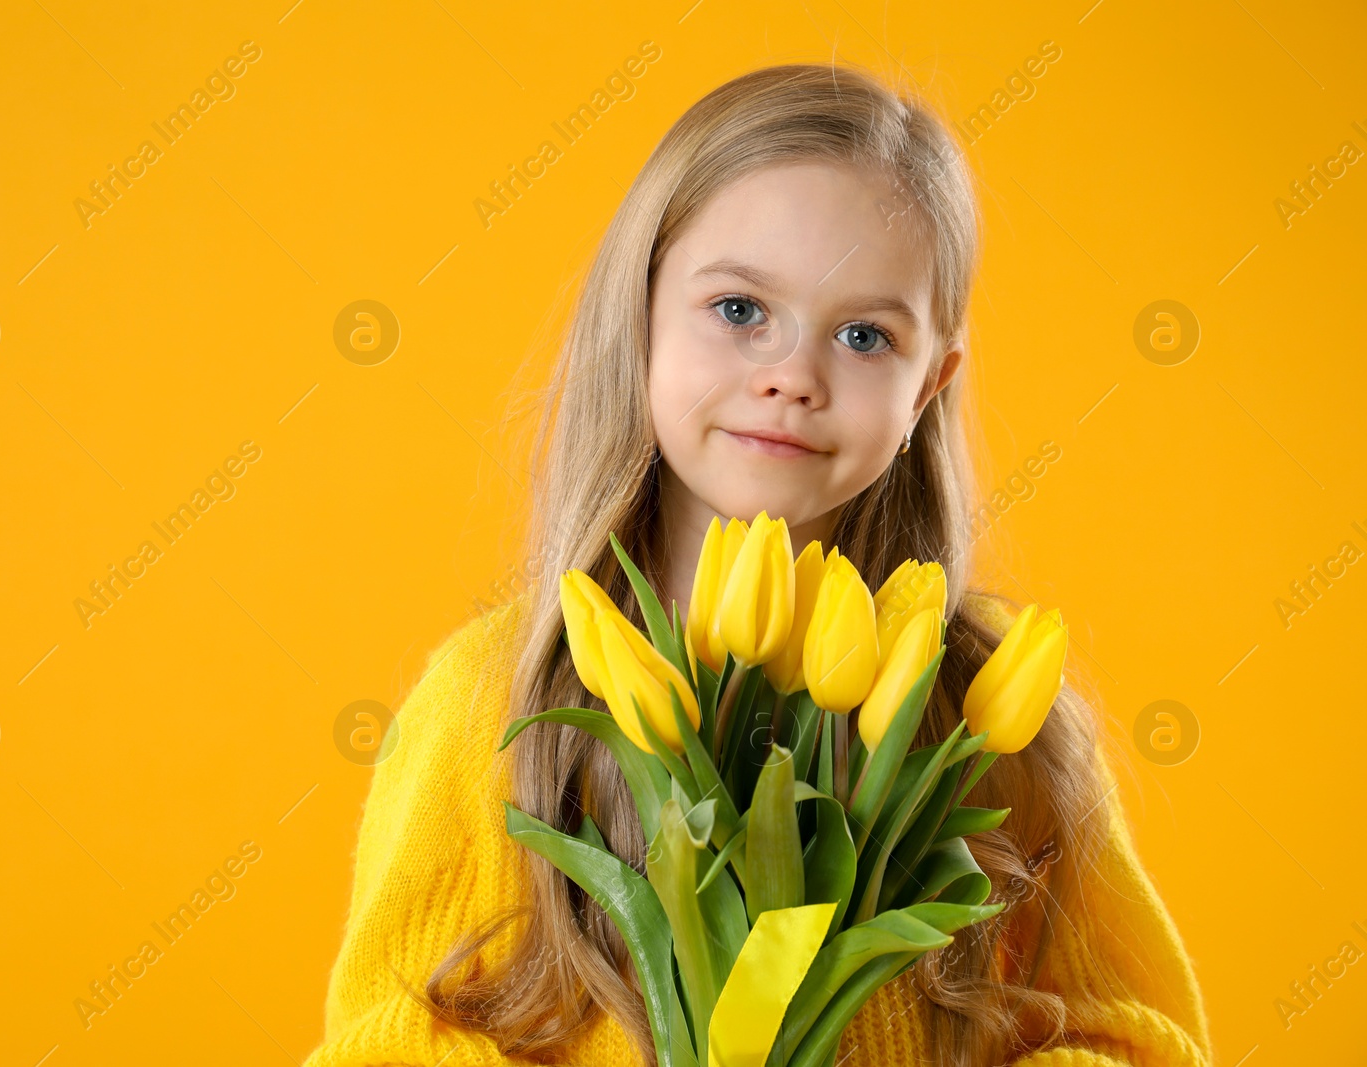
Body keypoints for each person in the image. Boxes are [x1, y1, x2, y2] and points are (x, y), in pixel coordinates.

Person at [300, 63, 1212, 1067]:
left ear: (928, 387)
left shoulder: (987, 711)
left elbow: (1136, 1038)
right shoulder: (489, 699)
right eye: (739, 309)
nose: (792, 376)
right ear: (637, 311)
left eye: (864, 335)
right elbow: (380, 1043)